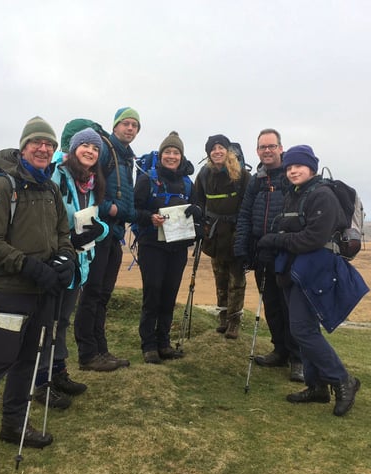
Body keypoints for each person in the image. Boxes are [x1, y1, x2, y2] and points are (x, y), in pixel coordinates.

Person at [0, 117, 76, 474]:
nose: (43, 149)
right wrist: (29, 266)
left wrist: (67, 259)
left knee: (27, 363)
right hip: (10, 294)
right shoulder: (1, 185)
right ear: (23, 147)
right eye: (36, 143)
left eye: (49, 145)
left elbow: (63, 233)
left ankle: (14, 425)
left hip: (44, 293)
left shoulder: (50, 188)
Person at [257, 145, 363, 417]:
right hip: (296, 271)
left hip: (315, 271)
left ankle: (343, 380)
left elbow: (313, 239)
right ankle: (316, 386)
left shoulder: (322, 195)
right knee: (300, 329)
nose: (293, 171)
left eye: (299, 166)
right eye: (289, 167)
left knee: (303, 329)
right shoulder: (296, 194)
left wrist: (276, 240)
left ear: (312, 168)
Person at [33, 127, 110, 408]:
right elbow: (44, 220)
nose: (90, 151)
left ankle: (58, 372)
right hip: (57, 263)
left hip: (79, 265)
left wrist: (97, 231)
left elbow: (96, 221)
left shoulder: (90, 182)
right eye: (85, 146)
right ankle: (40, 383)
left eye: (95, 148)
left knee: (62, 321)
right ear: (73, 149)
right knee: (46, 323)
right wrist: (67, 240)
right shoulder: (57, 176)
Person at [233, 129, 303, 382]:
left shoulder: (292, 176)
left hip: (288, 253)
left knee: (290, 307)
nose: (267, 151)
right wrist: (241, 249)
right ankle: (280, 350)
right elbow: (244, 215)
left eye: (272, 146)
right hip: (261, 252)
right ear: (257, 151)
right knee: (271, 305)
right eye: (263, 147)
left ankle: (298, 358)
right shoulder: (256, 181)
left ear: (281, 148)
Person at [73, 107, 140, 371]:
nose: (130, 128)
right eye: (126, 123)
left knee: (103, 294)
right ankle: (87, 354)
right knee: (91, 294)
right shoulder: (104, 150)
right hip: (99, 231)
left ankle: (101, 350)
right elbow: (88, 188)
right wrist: (109, 208)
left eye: (135, 125)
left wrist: (126, 213)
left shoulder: (125, 157)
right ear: (115, 126)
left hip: (114, 233)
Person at [133, 131, 202, 363]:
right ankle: (148, 345)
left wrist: (196, 212)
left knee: (169, 294)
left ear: (181, 157)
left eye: (176, 152)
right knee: (152, 293)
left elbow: (197, 209)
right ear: (161, 154)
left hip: (178, 247)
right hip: (151, 245)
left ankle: (163, 342)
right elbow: (134, 211)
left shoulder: (186, 183)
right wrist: (150, 218)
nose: (171, 156)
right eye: (168, 152)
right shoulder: (147, 179)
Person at [195, 134, 251, 339]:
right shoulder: (204, 175)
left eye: (221, 147)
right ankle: (223, 317)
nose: (217, 151)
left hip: (236, 233)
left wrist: (245, 235)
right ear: (209, 153)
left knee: (237, 280)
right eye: (213, 148)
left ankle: (234, 321)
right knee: (220, 277)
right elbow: (198, 202)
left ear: (228, 151)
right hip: (215, 235)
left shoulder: (243, 176)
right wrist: (201, 225)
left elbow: (248, 207)